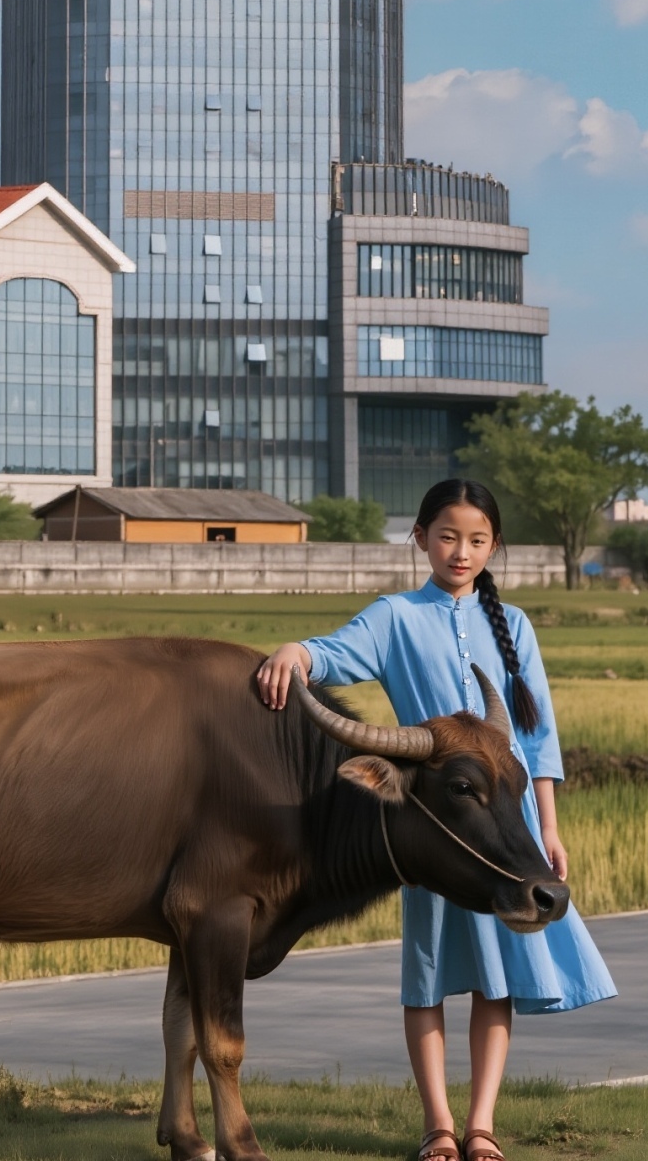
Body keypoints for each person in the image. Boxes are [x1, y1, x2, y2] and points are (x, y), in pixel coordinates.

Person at [256, 478, 615, 1161]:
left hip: (502, 829)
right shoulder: (395, 616)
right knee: (425, 976)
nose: (460, 551)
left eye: (476, 540)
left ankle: (480, 1125)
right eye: (447, 535)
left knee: (496, 976)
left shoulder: (515, 629)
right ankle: (437, 1126)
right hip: (434, 829)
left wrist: (548, 830)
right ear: (418, 537)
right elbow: (334, 650)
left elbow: (537, 742)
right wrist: (296, 653)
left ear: (493, 547)